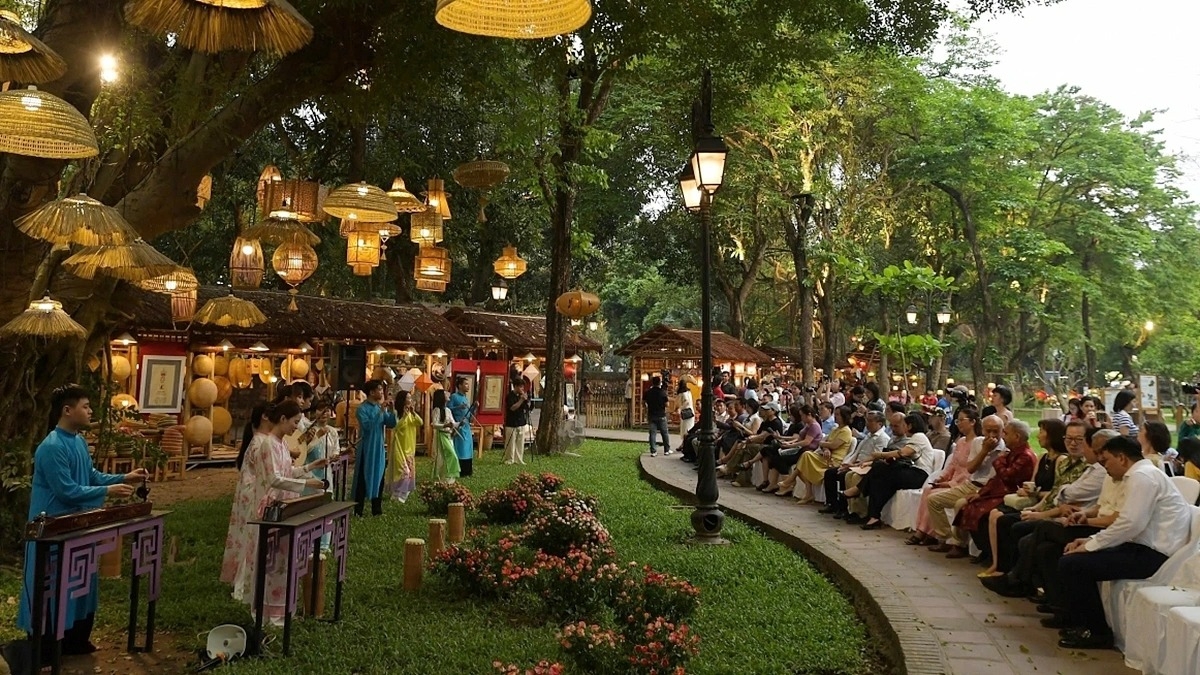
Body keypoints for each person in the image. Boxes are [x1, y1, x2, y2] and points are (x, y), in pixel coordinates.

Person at [17, 385, 149, 655]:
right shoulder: (51, 447)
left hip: (78, 525)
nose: (90, 411)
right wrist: (107, 491)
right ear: (67, 410)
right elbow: (66, 490)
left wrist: (124, 478)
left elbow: (90, 476)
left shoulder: (77, 441)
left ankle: (75, 640)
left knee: (81, 582)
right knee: (52, 586)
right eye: (86, 406)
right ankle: (46, 646)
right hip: (52, 529)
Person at [1055, 435, 1193, 649]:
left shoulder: (1143, 477)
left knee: (1073, 565)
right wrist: (1089, 540)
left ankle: (1098, 632)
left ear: (1121, 458)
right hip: (1139, 547)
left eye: (1107, 460)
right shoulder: (1139, 475)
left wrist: (1091, 545)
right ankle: (1078, 621)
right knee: (1073, 557)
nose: (1105, 467)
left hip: (1154, 555)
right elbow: (1128, 525)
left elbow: (1130, 524)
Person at [222, 400, 325, 625]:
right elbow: (273, 479)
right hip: (271, 509)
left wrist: (310, 467)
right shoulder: (267, 444)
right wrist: (306, 482)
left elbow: (287, 470)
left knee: (282, 562)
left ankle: (280, 611)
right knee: (270, 563)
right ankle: (265, 612)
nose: (297, 428)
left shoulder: (278, 444)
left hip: (284, 507)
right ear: (282, 419)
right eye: (295, 422)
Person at [950, 420, 1037, 563]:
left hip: (1009, 494)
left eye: (1006, 433)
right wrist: (980, 493)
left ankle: (992, 555)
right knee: (968, 507)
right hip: (995, 491)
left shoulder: (1025, 455)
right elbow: (994, 478)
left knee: (981, 513)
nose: (1003, 436)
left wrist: (999, 460)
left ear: (1017, 437)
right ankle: (985, 550)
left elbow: (1007, 476)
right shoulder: (1011, 452)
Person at [843, 412, 937, 529]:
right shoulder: (912, 438)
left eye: (904, 425)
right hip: (910, 471)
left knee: (879, 468)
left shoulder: (919, 436)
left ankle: (859, 490)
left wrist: (879, 455)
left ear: (910, 426)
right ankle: (874, 517)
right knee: (878, 478)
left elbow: (903, 453)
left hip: (919, 474)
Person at [927, 415, 1006, 555]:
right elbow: (971, 469)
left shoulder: (1005, 448)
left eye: (996, 431)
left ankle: (959, 545)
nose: (992, 435)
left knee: (961, 505)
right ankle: (947, 538)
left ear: (1002, 430)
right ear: (982, 430)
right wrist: (984, 450)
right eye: (988, 431)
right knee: (933, 500)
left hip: (987, 489)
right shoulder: (977, 443)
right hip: (970, 484)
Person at [905, 408, 981, 546]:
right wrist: (942, 478)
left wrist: (950, 484)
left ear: (972, 422)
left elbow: (970, 472)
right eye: (957, 421)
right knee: (928, 489)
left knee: (933, 496)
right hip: (952, 480)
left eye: (961, 420)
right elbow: (952, 465)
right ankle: (925, 531)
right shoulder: (961, 442)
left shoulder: (976, 443)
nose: (958, 424)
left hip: (963, 484)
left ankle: (929, 533)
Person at [820, 410, 890, 517]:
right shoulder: (868, 436)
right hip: (855, 464)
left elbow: (875, 458)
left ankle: (853, 510)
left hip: (866, 467)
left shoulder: (882, 438)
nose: (867, 423)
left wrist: (853, 466)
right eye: (867, 420)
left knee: (847, 476)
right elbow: (856, 453)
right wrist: (847, 464)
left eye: (870, 421)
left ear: (879, 423)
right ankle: (833, 504)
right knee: (831, 473)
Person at [352, 380, 397, 516]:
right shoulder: (362, 409)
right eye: (379, 389)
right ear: (371, 392)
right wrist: (381, 412)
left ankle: (376, 509)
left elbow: (391, 423)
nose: (381, 392)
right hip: (367, 448)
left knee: (379, 476)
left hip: (378, 447)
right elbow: (368, 427)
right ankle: (358, 510)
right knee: (362, 477)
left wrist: (392, 410)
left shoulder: (379, 407)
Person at [792, 405, 854, 504]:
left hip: (834, 460)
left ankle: (792, 480)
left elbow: (833, 445)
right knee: (806, 455)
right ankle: (807, 492)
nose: (836, 417)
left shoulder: (846, 431)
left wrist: (825, 445)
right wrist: (826, 448)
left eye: (838, 415)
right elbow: (824, 443)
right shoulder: (835, 429)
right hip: (826, 456)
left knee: (805, 456)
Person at [387, 390, 421, 502]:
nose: (410, 400)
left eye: (410, 398)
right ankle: (397, 494)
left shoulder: (411, 413)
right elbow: (397, 427)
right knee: (403, 471)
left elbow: (419, 422)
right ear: (403, 400)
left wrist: (413, 412)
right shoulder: (397, 413)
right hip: (399, 446)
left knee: (409, 473)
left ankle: (402, 495)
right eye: (408, 398)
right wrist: (405, 416)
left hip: (410, 447)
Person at [430, 388, 461, 482]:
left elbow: (453, 423)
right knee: (444, 457)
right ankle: (442, 478)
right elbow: (434, 424)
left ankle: (449, 478)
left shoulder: (448, 410)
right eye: (445, 393)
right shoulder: (437, 410)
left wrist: (460, 424)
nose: (448, 394)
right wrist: (445, 425)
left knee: (452, 456)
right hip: (441, 436)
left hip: (448, 436)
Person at [448, 376, 475, 477]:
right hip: (459, 425)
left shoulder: (465, 398)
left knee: (468, 447)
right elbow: (448, 409)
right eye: (465, 384)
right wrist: (458, 407)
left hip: (467, 425)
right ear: (459, 385)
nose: (468, 386)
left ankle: (468, 470)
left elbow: (469, 413)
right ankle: (460, 469)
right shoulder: (454, 396)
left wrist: (474, 407)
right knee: (461, 447)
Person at [504, 379, 532, 465]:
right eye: (520, 386)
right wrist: (521, 400)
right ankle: (509, 459)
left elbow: (527, 408)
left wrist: (526, 400)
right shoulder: (510, 396)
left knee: (520, 442)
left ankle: (519, 459)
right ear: (515, 386)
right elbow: (512, 408)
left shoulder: (522, 396)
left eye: (523, 387)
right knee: (511, 442)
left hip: (521, 422)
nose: (522, 388)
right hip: (512, 422)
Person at [643, 376, 670, 457]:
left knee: (652, 434)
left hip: (651, 415)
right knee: (664, 433)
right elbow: (667, 404)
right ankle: (666, 450)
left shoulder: (648, 392)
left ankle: (653, 451)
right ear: (660, 382)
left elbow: (643, 402)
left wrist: (647, 407)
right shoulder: (663, 392)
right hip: (661, 415)